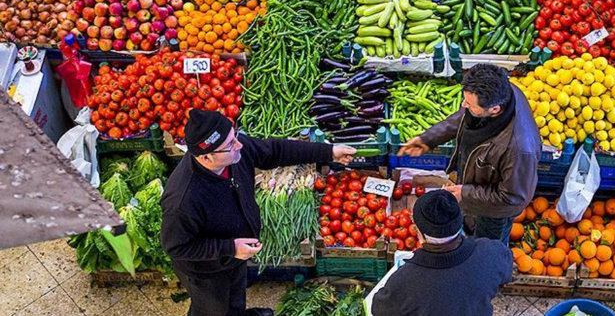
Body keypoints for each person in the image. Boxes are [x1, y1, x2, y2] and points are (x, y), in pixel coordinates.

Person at [160, 109, 357, 316]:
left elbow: (275, 150)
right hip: (206, 270)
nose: (239, 145)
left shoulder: (234, 153)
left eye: (235, 136)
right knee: (213, 308)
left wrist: (328, 152)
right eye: (230, 145)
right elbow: (176, 247)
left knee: (236, 295)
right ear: (207, 157)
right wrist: (230, 248)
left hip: (235, 255)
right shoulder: (182, 200)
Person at [399, 63, 541, 244]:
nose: (463, 105)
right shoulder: (501, 92)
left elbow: (512, 198)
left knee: (487, 245)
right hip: (478, 184)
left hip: (495, 211)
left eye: (470, 104)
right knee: (472, 222)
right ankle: (471, 224)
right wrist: (429, 139)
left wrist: (465, 193)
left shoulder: (520, 150)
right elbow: (465, 116)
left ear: (494, 110)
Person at [370, 190, 512, 316]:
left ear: (419, 233)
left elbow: (378, 309)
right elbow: (505, 276)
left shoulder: (404, 281)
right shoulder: (493, 252)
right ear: (459, 222)